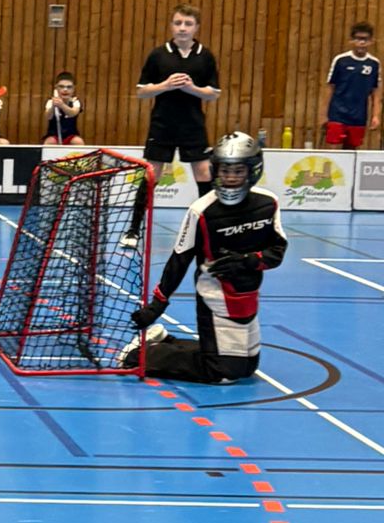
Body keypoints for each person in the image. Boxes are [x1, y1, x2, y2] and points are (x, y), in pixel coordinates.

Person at [120, 133, 286, 384]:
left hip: (248, 294)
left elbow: (278, 251)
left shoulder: (268, 203)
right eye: (225, 171)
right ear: (216, 170)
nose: (231, 178)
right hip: (214, 297)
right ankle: (138, 355)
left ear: (252, 171)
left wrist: (249, 261)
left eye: (238, 171)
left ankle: (165, 342)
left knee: (247, 367)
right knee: (223, 371)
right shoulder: (201, 210)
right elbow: (179, 260)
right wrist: (157, 305)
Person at [121, 7, 221, 250]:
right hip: (162, 124)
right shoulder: (158, 55)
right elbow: (141, 92)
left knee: (204, 174)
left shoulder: (205, 56)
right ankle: (133, 230)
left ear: (196, 27)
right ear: (171, 25)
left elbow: (213, 94)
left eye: (188, 23)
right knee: (151, 175)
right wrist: (165, 85)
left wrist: (192, 89)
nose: (182, 28)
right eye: (178, 23)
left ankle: (208, 232)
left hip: (193, 126)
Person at [322, 22, 380, 149]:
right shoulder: (341, 60)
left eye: (365, 39)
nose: (361, 43)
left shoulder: (374, 63)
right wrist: (324, 114)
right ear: (351, 41)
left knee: (352, 151)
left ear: (371, 41)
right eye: (358, 39)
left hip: (358, 116)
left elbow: (375, 92)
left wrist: (375, 115)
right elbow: (330, 87)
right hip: (337, 114)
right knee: (333, 149)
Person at [43, 72, 84, 145]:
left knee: (78, 142)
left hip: (71, 135)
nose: (65, 89)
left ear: (73, 89)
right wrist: (53, 106)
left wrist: (62, 105)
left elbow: (73, 113)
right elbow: (48, 116)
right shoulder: (50, 102)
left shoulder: (75, 101)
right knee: (50, 142)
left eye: (69, 87)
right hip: (53, 135)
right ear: (56, 88)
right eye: (61, 87)